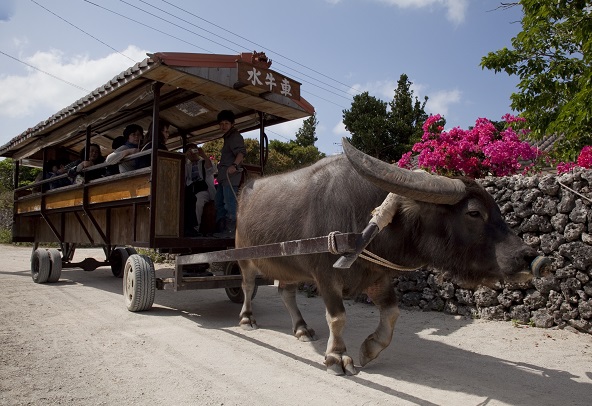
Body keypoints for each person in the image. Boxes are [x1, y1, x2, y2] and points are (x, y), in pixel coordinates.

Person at [213, 110, 246, 238]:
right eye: (221, 123)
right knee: (219, 202)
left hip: (231, 177)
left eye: (226, 123)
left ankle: (231, 232)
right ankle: (222, 230)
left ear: (232, 124)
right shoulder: (227, 137)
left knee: (230, 203)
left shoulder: (235, 136)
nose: (223, 126)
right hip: (223, 177)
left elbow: (241, 153)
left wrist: (235, 165)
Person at [184, 143, 216, 237]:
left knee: (198, 201)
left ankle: (195, 228)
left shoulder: (203, 162)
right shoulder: (187, 165)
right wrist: (185, 157)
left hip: (204, 190)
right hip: (192, 190)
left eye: (194, 150)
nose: (193, 153)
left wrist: (204, 155)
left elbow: (211, 169)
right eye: (190, 151)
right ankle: (185, 227)